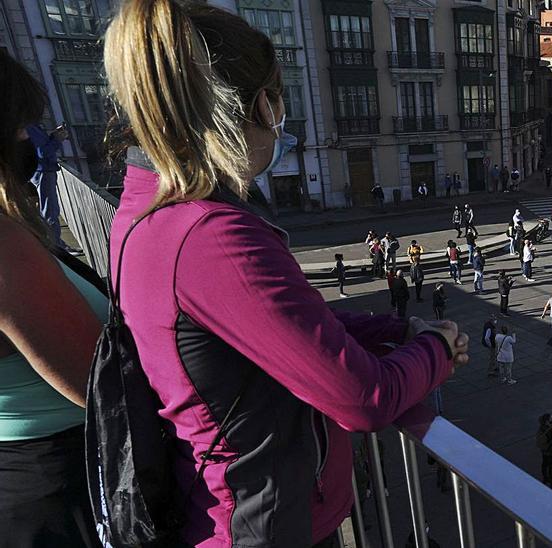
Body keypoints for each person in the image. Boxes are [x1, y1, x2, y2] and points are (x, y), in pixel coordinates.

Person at [100, 4, 464, 545]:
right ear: (260, 107)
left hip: (224, 508)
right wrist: (436, 348)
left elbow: (280, 328)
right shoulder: (210, 238)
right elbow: (364, 398)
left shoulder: (144, 210)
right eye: (281, 98)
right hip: (262, 526)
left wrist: (392, 331)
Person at [0, 49, 106, 548]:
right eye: (21, 126)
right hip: (61, 489)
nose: (32, 139)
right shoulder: (3, 246)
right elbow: (102, 383)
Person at [536, 414, 552, 488]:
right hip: (551, 450)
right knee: (551, 467)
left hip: (544, 449)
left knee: (544, 464)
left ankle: (545, 478)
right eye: (551, 418)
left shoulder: (541, 428)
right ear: (547, 420)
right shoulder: (550, 428)